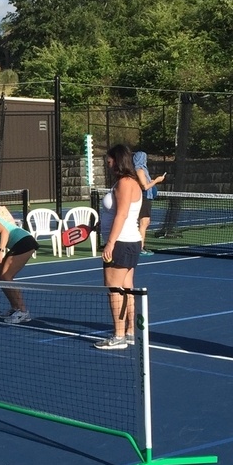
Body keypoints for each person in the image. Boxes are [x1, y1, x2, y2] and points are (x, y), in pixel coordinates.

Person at [96, 145, 144, 349]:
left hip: (122, 243)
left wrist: (110, 243)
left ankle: (118, 336)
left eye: (109, 161)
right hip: (129, 241)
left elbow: (122, 214)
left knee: (114, 289)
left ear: (116, 160)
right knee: (126, 288)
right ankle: (130, 332)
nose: (107, 164)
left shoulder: (125, 183)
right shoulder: (128, 182)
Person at [131, 151, 166, 256]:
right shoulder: (140, 170)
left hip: (147, 198)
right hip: (144, 198)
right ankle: (140, 248)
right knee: (143, 222)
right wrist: (157, 181)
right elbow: (145, 187)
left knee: (145, 222)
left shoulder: (142, 170)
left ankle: (140, 245)